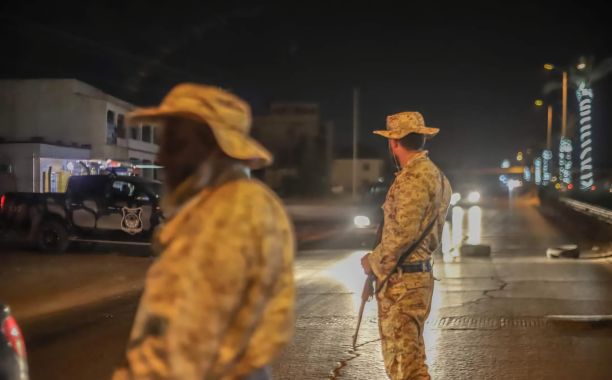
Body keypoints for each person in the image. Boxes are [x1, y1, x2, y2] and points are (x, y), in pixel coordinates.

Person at [112, 83, 295, 380]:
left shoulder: (234, 210)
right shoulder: (214, 206)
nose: (160, 157)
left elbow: (190, 347)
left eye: (174, 143)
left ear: (213, 146)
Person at [361, 112, 451, 380]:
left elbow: (402, 234)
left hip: (404, 282)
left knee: (405, 365)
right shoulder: (437, 175)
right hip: (414, 277)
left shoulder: (413, 179)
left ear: (394, 142)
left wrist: (373, 261)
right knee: (409, 358)